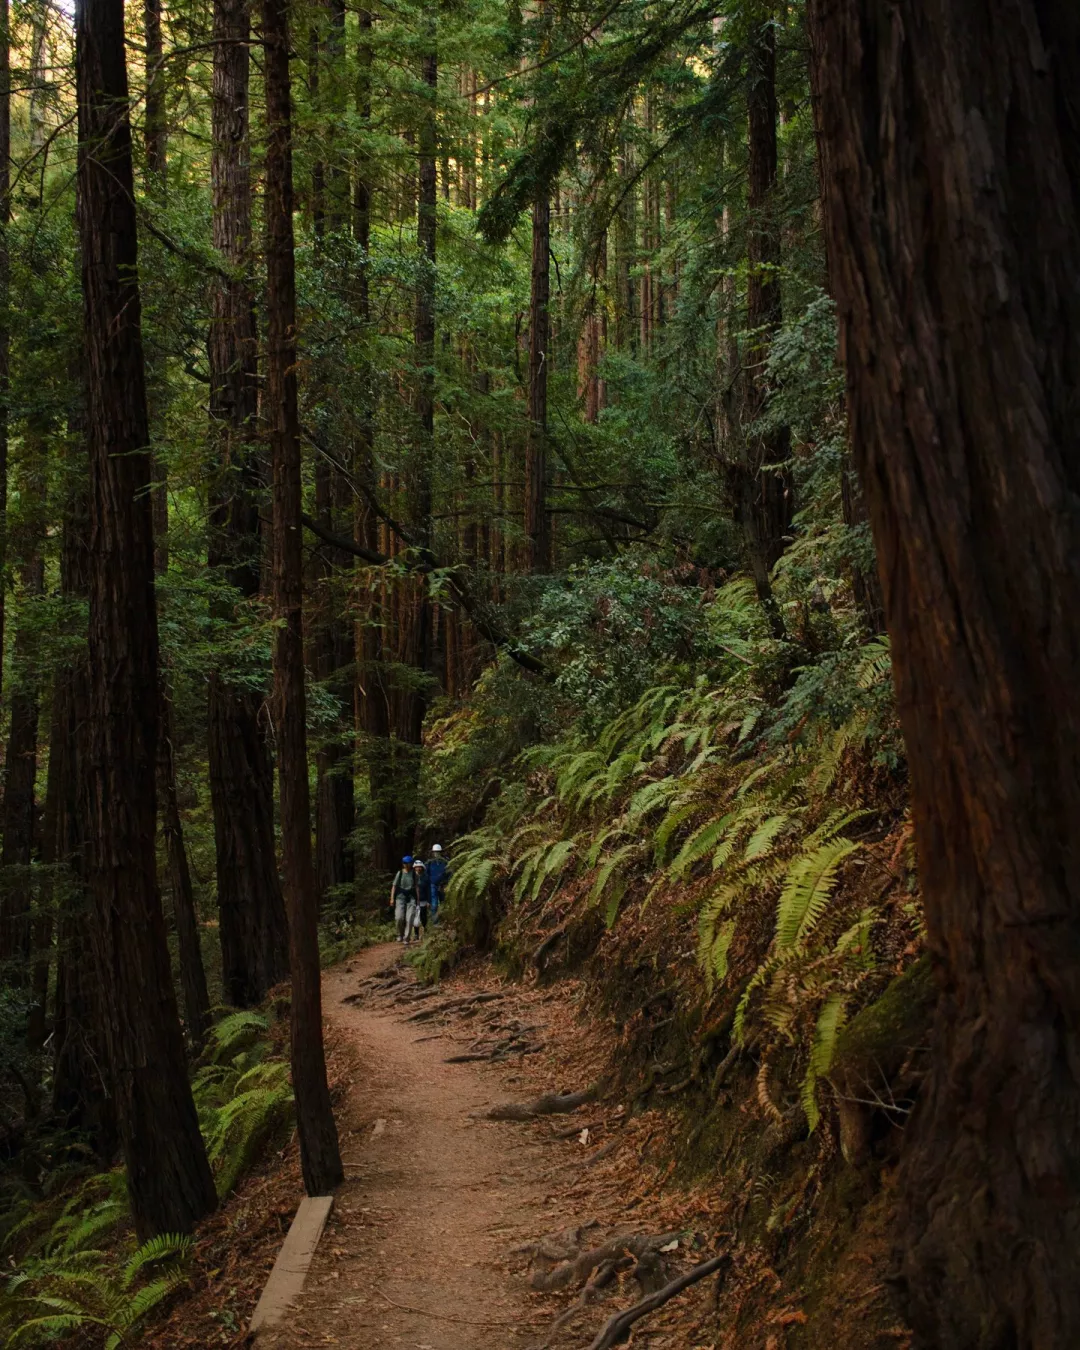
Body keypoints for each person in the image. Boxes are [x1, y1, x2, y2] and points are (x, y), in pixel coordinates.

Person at [390, 856, 416, 943]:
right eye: (405, 863)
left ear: (411, 864)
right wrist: (392, 898)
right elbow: (394, 886)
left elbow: (417, 887)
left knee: (410, 918)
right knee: (399, 917)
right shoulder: (400, 873)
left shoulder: (414, 874)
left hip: (411, 897)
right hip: (400, 897)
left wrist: (418, 900)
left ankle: (407, 937)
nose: (406, 865)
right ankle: (399, 934)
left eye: (408, 863)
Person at [427, 844, 450, 924]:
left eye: (438, 852)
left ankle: (444, 920)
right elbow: (426, 874)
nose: (436, 853)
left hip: (443, 885)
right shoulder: (430, 862)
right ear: (433, 853)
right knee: (434, 904)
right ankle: (435, 922)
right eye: (435, 852)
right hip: (433, 885)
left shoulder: (445, 861)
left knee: (443, 902)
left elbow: (449, 873)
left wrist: (447, 883)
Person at [411, 857, 430, 939]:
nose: (418, 868)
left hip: (423, 900)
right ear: (414, 867)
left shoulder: (425, 878)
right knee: (415, 917)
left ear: (422, 867)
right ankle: (416, 934)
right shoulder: (411, 877)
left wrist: (429, 901)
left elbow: (428, 890)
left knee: (423, 916)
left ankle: (426, 930)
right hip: (414, 901)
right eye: (416, 867)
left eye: (419, 867)